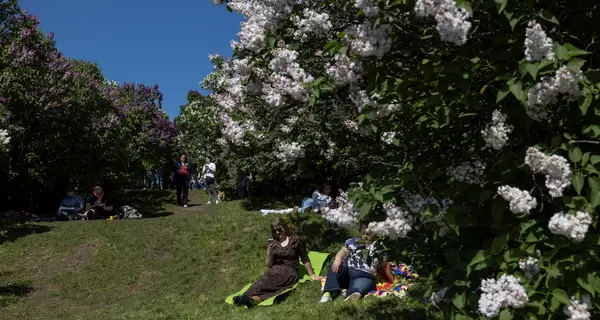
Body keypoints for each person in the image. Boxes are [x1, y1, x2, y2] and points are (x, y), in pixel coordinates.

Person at [232, 217, 321, 308]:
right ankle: (246, 299)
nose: (277, 233)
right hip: (274, 270)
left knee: (272, 287)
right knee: (260, 283)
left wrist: (312, 275)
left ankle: (248, 299)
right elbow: (269, 265)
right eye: (274, 231)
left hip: (289, 272)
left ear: (285, 227)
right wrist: (269, 252)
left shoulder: (295, 240)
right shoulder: (273, 242)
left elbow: (304, 258)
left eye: (279, 229)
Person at [319, 225, 387, 303]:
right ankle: (327, 293)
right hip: (347, 270)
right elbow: (343, 251)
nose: (364, 236)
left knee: (357, 290)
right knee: (334, 264)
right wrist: (338, 259)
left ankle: (349, 292)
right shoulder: (353, 242)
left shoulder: (378, 246)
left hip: (364, 274)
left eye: (367, 234)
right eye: (363, 234)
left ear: (373, 234)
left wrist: (391, 279)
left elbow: (385, 264)